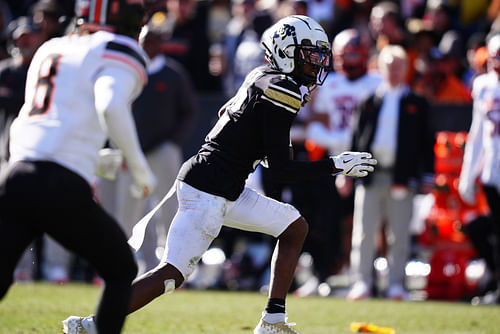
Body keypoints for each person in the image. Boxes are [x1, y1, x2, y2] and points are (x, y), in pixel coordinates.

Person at [69, 15, 377, 334]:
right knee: (171, 274)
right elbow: (283, 170)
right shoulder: (282, 88)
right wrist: (335, 165)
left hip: (224, 185)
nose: (315, 64)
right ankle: (92, 326)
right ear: (287, 50)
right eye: (310, 55)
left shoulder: (263, 76)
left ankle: (272, 321)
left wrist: (258, 150)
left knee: (294, 227)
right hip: (208, 189)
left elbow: (233, 122)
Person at [0, 1, 157, 334]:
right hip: (60, 187)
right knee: (120, 269)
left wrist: (91, 161)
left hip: (15, 176)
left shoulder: (52, 48)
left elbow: (50, 122)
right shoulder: (117, 49)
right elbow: (111, 104)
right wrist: (140, 169)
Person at [97, 17, 198, 273]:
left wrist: (172, 141)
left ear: (161, 43)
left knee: (170, 207)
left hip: (162, 149)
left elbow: (189, 110)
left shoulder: (173, 74)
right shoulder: (128, 72)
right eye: (145, 40)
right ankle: (124, 264)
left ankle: (175, 263)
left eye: (154, 40)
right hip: (131, 150)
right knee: (129, 210)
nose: (148, 45)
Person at [345, 45, 434, 301]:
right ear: (381, 68)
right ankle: (362, 282)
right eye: (389, 66)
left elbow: (426, 143)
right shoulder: (369, 101)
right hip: (371, 174)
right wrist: (347, 173)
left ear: (406, 69)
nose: (394, 72)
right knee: (363, 232)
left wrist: (425, 175)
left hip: (401, 177)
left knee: (400, 232)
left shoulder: (417, 103)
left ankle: (396, 283)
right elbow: (356, 138)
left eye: (398, 66)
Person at [297, 28, 382, 295]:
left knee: (368, 223)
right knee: (324, 221)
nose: (349, 61)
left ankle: (367, 278)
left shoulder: (376, 84)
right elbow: (314, 121)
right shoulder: (330, 83)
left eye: (354, 55)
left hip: (368, 160)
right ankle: (324, 274)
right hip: (334, 161)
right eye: (344, 55)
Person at [458, 33, 500, 305]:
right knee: (482, 228)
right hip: (491, 172)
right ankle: (494, 280)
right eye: (495, 55)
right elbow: (476, 132)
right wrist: (467, 174)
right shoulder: (483, 85)